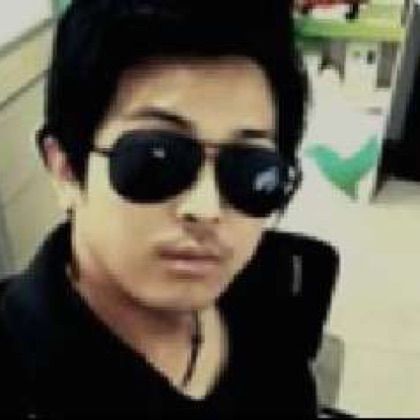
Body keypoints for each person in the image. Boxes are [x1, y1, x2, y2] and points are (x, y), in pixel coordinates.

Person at [0, 0, 331, 416]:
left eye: (250, 169)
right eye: (155, 159)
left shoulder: (271, 303)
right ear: (65, 169)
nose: (206, 208)